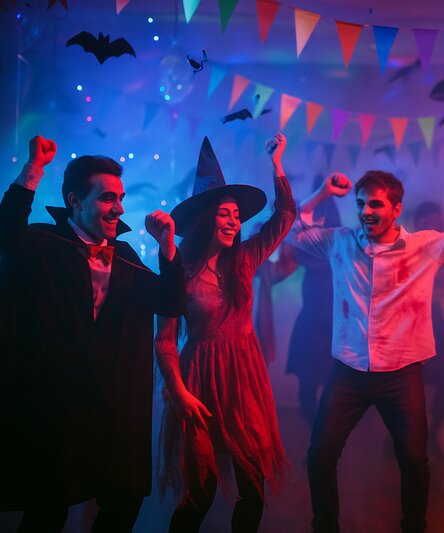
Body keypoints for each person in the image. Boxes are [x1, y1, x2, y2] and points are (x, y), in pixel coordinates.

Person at [288, 154, 444, 532]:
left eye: (375, 204)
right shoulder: (340, 243)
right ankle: (325, 526)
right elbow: (294, 232)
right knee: (320, 454)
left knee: (415, 460)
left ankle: (414, 526)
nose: (365, 211)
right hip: (349, 371)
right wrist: (321, 194)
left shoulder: (425, 246)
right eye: (360, 204)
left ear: (397, 209)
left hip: (401, 374)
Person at [0, 136, 184, 532]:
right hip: (54, 406)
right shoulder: (42, 242)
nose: (118, 208)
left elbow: (170, 301)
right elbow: (5, 233)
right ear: (74, 201)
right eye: (106, 198)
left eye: (119, 197)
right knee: (47, 507)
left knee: (125, 497)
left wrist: (167, 247)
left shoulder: (127, 258)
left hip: (109, 407)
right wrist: (34, 168)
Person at [155, 134, 295, 532]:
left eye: (237, 214)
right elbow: (164, 339)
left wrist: (277, 163)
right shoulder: (177, 270)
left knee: (253, 486)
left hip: (243, 378)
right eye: (224, 213)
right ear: (205, 220)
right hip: (198, 380)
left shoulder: (245, 260)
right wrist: (178, 391)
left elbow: (284, 217)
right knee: (201, 491)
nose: (235, 221)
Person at [285, 174, 341, 428]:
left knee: (332, 390)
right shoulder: (307, 219)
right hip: (310, 323)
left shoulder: (339, 240)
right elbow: (298, 248)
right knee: (307, 389)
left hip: (332, 326)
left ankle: (322, 442)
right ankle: (317, 439)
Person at [412, 201, 444, 459]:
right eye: (431, 224)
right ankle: (403, 440)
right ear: (419, 226)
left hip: (434, 317)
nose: (437, 228)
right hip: (412, 319)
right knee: (408, 386)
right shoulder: (410, 249)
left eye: (438, 224)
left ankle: (430, 439)